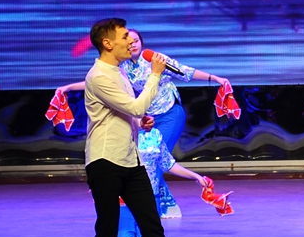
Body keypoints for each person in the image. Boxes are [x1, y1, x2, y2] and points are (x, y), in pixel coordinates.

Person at [83, 17, 207, 237]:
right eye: (124, 36)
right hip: (105, 161)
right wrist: (155, 76)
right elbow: (136, 105)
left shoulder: (118, 71)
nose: (130, 41)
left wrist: (140, 122)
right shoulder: (99, 76)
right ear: (107, 43)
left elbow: (129, 112)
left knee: (153, 227)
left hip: (130, 159)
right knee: (106, 232)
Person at [60, 29, 230, 153]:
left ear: (141, 43)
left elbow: (185, 71)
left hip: (169, 113)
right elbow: (99, 82)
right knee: (144, 158)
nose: (133, 44)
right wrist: (68, 87)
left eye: (136, 41)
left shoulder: (154, 59)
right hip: (146, 120)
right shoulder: (123, 66)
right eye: (129, 41)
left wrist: (215, 78)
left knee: (158, 156)